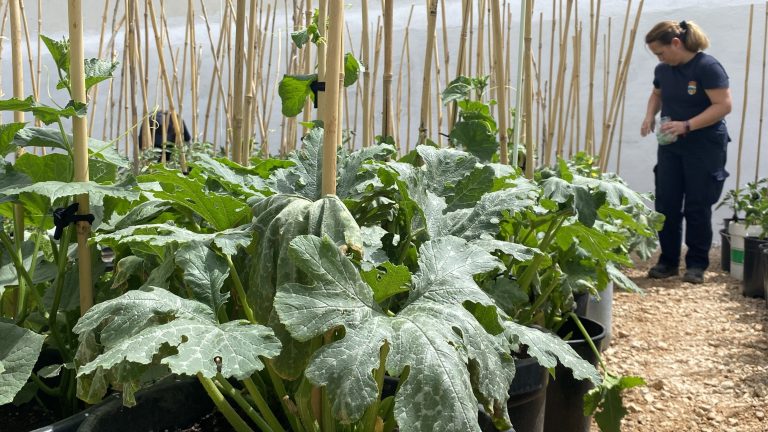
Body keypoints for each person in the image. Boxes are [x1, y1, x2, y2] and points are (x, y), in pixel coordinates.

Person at [640, 20, 732, 284]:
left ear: (676, 43)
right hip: (671, 145)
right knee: (666, 203)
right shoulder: (663, 69)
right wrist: (649, 116)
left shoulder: (707, 67)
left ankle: (696, 264)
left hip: (704, 146)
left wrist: (687, 125)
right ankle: (668, 261)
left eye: (661, 52)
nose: (659, 58)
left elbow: (723, 105)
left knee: (697, 204)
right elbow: (656, 94)